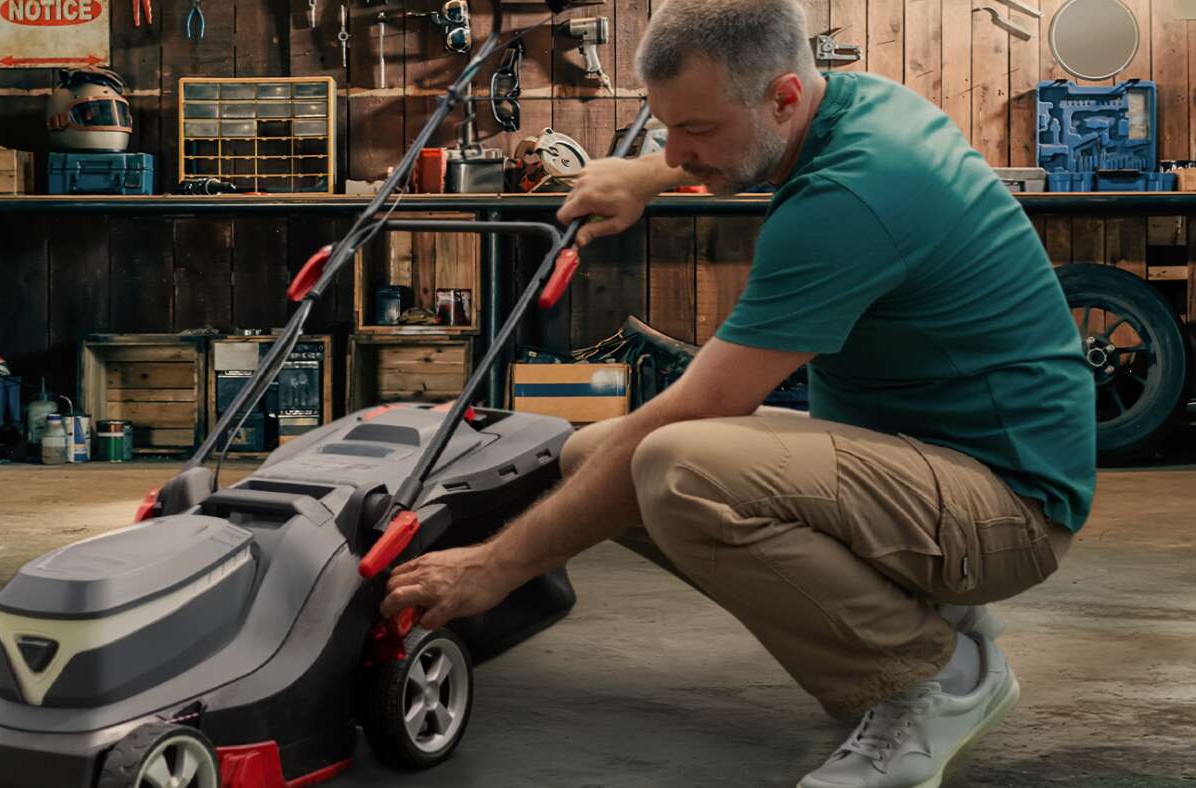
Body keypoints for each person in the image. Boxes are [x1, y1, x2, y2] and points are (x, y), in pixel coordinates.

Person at [380, 0, 1096, 784]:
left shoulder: (850, 198)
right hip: (928, 464)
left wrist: (496, 565)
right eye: (667, 128)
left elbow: (696, 410)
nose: (680, 152)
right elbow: (729, 135)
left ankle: (934, 682)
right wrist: (644, 176)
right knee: (593, 455)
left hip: (1010, 508)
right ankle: (924, 616)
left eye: (695, 132)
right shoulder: (847, 106)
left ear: (783, 96)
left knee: (678, 466)